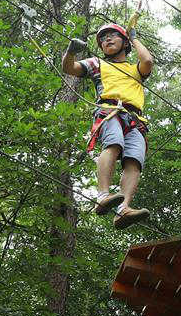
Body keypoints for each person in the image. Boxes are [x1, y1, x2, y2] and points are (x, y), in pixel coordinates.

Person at [61, 23, 153, 229]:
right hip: (109, 110)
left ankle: (124, 209)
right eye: (103, 39)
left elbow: (147, 60)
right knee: (113, 144)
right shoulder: (97, 63)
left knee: (134, 162)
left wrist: (134, 37)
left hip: (135, 120)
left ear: (125, 43)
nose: (107, 40)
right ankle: (102, 195)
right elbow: (69, 68)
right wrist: (70, 52)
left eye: (113, 36)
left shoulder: (135, 70)